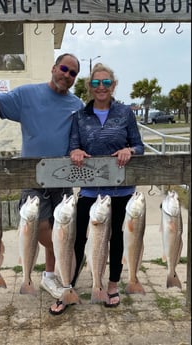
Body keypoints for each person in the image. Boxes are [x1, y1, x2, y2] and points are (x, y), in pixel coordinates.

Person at [0, 53, 84, 299]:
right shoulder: (27, 94)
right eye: (64, 69)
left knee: (56, 225)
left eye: (73, 73)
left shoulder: (77, 105)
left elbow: (83, 138)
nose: (67, 75)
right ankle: (70, 255)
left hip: (62, 179)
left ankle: (50, 276)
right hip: (32, 178)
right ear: (53, 68)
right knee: (40, 228)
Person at [49, 62, 144, 315]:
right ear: (89, 87)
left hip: (121, 191)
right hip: (91, 192)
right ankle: (67, 287)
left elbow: (138, 145)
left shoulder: (125, 113)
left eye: (105, 83)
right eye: (95, 83)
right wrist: (76, 151)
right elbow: (73, 145)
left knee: (116, 240)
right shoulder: (80, 116)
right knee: (77, 240)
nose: (100, 87)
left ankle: (111, 286)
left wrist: (129, 150)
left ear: (113, 86)